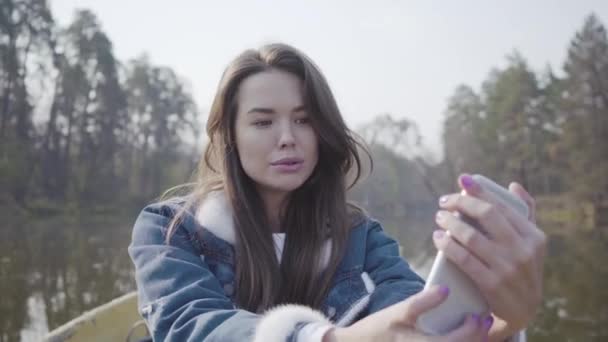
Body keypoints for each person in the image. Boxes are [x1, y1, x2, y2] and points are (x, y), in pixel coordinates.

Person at [128, 43, 546, 341]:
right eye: (263, 122)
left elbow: (410, 317)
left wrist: (506, 321)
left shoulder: (363, 238)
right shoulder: (169, 230)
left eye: (304, 120)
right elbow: (189, 326)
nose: (288, 138)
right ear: (230, 136)